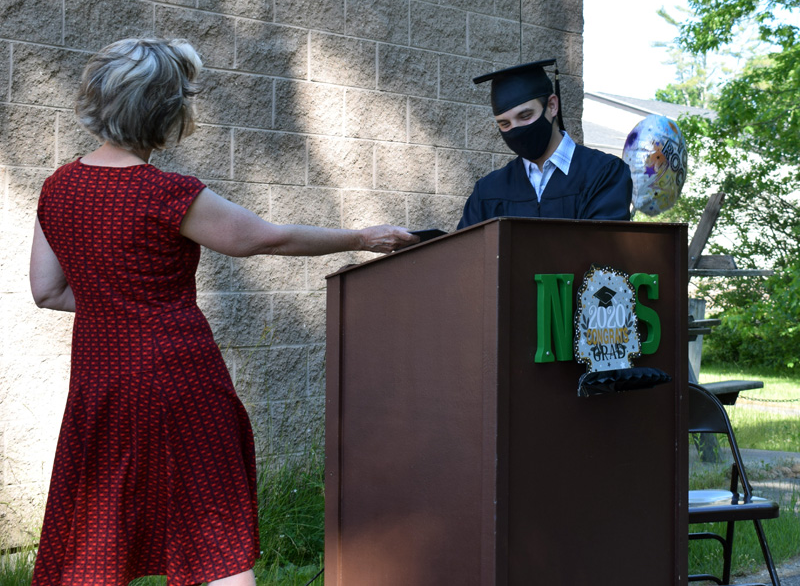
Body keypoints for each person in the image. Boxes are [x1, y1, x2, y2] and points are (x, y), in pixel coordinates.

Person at [28, 38, 418, 586]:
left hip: (100, 380)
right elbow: (266, 238)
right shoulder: (165, 193)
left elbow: (46, 291)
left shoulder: (58, 189)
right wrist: (360, 235)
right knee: (213, 539)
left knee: (96, 536)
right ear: (166, 112)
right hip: (178, 377)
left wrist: (115, 306)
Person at [457, 59, 632, 229]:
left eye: (525, 116)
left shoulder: (604, 173)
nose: (515, 130)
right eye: (505, 124)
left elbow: (603, 250)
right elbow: (466, 254)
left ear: (552, 106)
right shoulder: (488, 192)